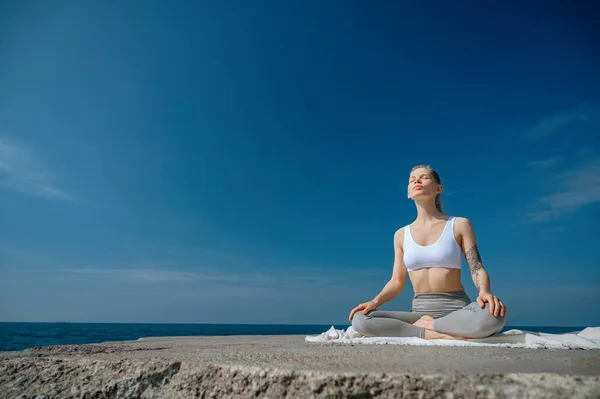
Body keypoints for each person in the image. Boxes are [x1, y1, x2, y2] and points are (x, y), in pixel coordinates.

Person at [349, 165, 507, 340]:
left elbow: (476, 267)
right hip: (418, 314)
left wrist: (484, 292)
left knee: (494, 316)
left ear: (438, 189)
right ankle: (444, 334)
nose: (416, 180)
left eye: (424, 177)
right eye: (412, 179)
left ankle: (428, 328)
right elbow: (396, 281)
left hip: (457, 310)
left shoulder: (459, 224)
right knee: (360, 319)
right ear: (408, 193)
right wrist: (374, 302)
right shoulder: (401, 235)